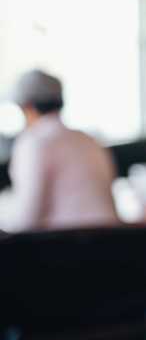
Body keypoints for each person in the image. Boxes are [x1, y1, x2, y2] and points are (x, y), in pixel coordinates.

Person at [6, 69, 118, 231]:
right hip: (113, 243)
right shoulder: (89, 140)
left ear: (27, 107)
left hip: (66, 248)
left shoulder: (34, 143)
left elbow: (26, 219)